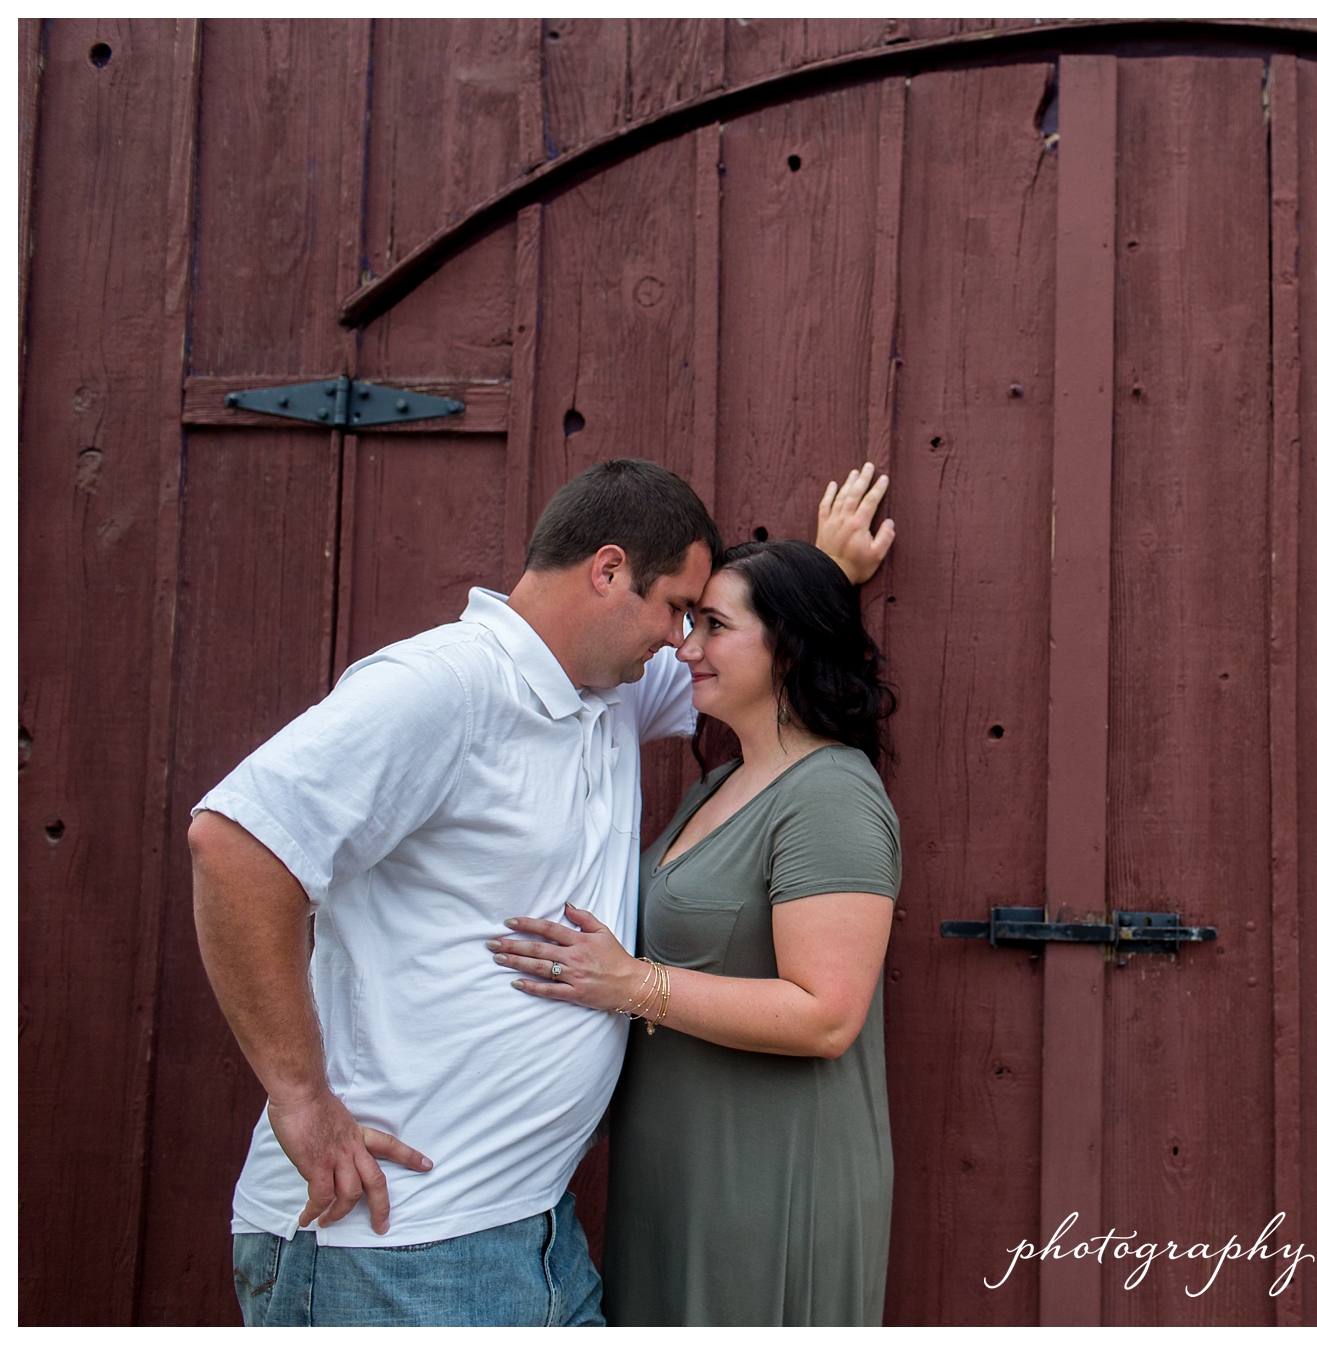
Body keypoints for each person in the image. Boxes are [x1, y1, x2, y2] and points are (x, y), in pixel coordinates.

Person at [189, 459, 892, 1327]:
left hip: (538, 1235)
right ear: (606, 572)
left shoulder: (611, 693)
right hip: (395, 1245)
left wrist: (825, 569)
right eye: (677, 608)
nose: (682, 643)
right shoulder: (443, 687)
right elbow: (234, 843)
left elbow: (762, 662)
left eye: (697, 619)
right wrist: (302, 1099)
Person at [493, 539, 900, 1326]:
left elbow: (827, 1014)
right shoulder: (721, 782)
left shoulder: (832, 796)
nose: (686, 647)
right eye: (690, 623)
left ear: (789, 645)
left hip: (769, 1180)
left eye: (713, 625)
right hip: (679, 1172)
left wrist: (632, 984)